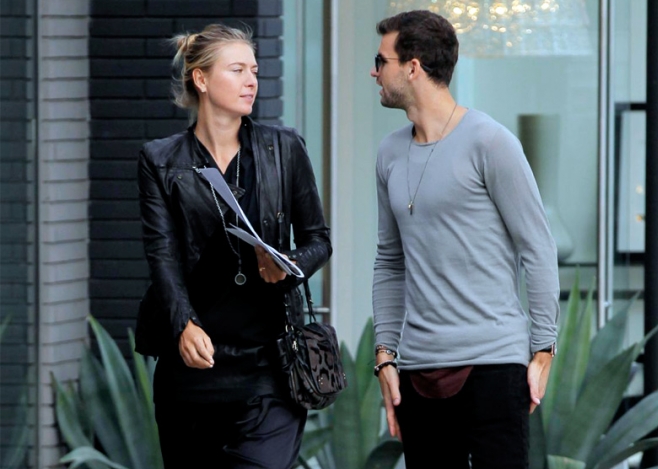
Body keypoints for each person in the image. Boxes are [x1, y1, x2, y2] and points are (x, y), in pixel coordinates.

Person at [135, 24, 331, 468]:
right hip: (192, 365)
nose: (251, 81)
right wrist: (183, 324)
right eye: (238, 70)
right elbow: (162, 254)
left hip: (269, 366)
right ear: (201, 79)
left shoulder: (284, 148)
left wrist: (289, 265)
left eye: (254, 71)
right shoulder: (160, 160)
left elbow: (318, 240)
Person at [370, 10, 560, 468]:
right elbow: (390, 261)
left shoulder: (490, 142)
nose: (373, 73)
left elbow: (537, 246)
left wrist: (543, 348)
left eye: (381, 61)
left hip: (493, 366)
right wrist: (385, 356)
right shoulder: (389, 153)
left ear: (412, 67)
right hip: (417, 372)